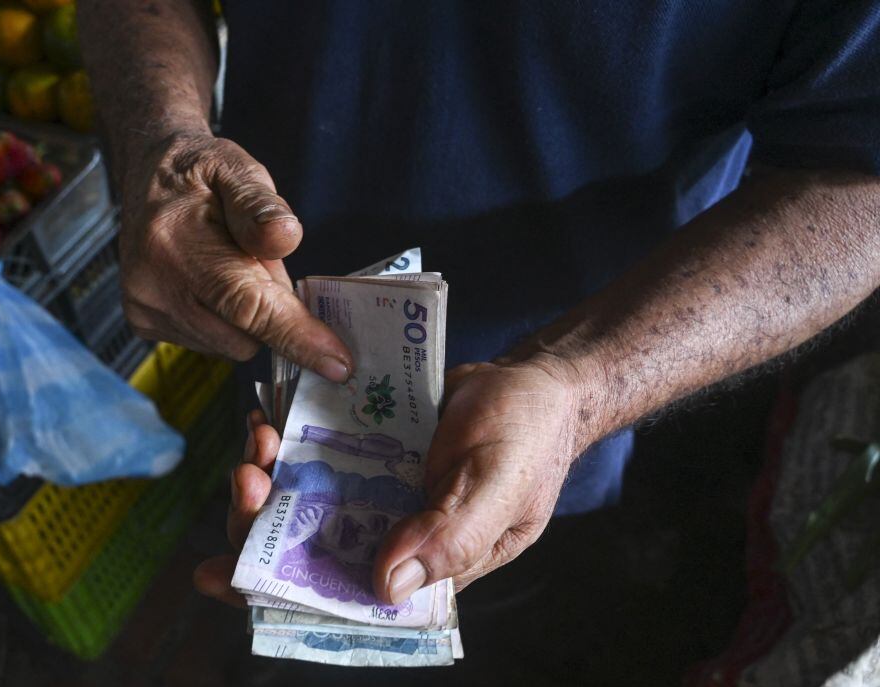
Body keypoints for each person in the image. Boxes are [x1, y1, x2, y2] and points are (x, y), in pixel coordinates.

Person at [75, 2, 880, 607]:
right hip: (257, 299)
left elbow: (857, 174)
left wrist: (580, 386)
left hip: (550, 398)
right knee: (272, 552)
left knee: (465, 606)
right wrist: (163, 142)